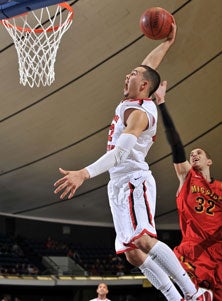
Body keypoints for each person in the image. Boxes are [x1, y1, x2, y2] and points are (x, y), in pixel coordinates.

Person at [54, 23, 211, 301]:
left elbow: (120, 154)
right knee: (133, 254)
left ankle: (193, 293)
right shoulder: (138, 95)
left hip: (133, 181)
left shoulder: (139, 114)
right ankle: (176, 298)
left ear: (144, 86)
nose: (128, 75)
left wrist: (84, 173)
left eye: (134, 75)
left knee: (144, 241)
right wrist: (167, 43)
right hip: (118, 184)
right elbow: (148, 66)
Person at [154, 80, 221, 301]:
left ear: (209, 161)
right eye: (192, 154)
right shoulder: (187, 177)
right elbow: (176, 146)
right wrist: (162, 104)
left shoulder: (220, 189)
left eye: (199, 153)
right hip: (194, 251)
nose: (194, 155)